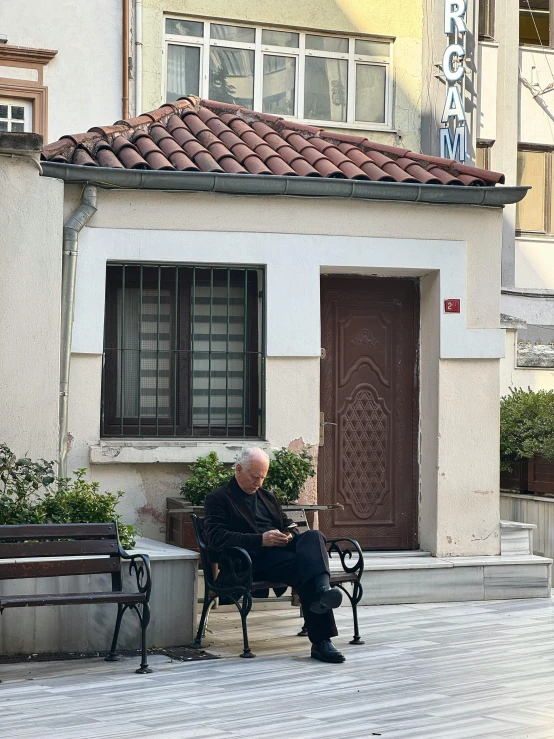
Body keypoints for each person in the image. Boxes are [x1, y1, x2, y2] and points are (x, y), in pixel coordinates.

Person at [204, 446, 346, 664]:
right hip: (252, 558)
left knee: (314, 536)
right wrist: (261, 539)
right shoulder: (219, 498)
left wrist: (288, 535)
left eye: (263, 477)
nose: (259, 483)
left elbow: (288, 523)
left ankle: (323, 589)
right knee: (304, 568)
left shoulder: (267, 497)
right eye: (254, 477)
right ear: (238, 469)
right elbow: (217, 537)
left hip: (281, 551)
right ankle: (322, 641)